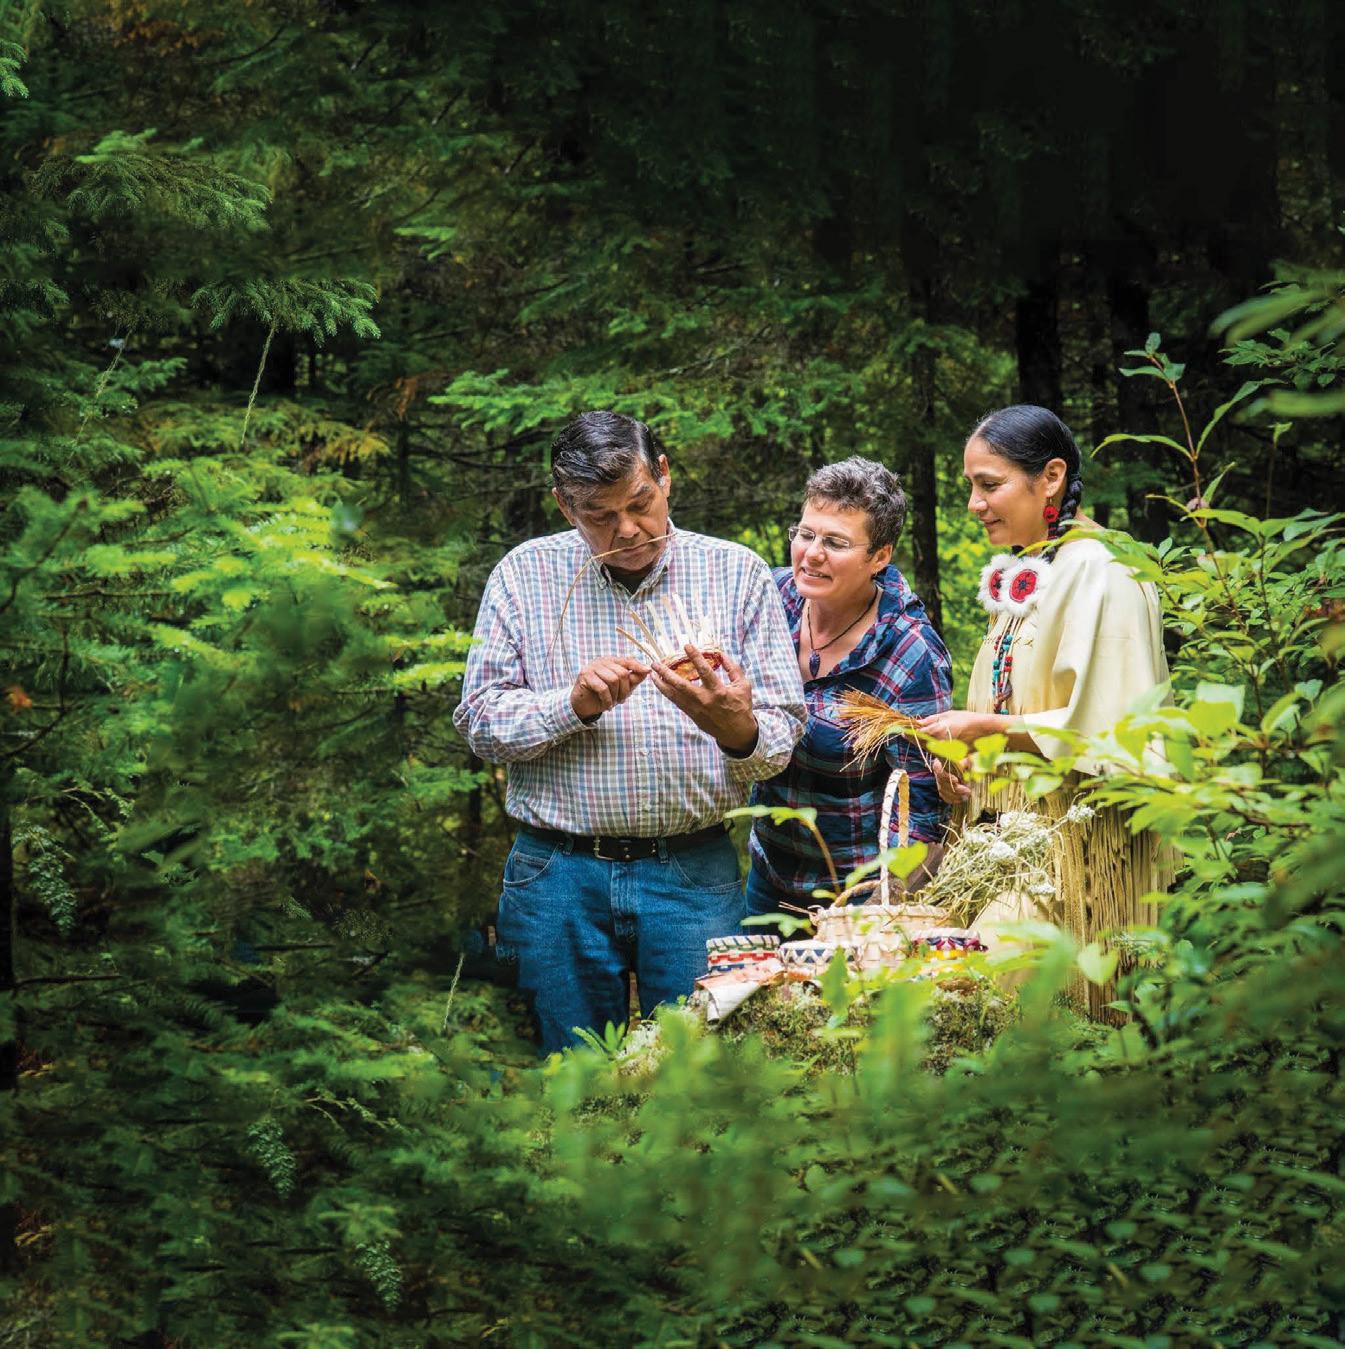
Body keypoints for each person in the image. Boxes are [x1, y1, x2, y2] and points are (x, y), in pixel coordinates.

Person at [453, 411, 806, 1052]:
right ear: (565, 506)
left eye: (640, 504)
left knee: (703, 1069)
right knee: (571, 1075)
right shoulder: (524, 575)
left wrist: (737, 730)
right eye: (599, 515)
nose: (627, 530)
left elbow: (782, 737)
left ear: (664, 475)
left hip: (693, 872)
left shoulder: (735, 572)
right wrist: (570, 706)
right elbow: (479, 721)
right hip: (556, 875)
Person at [917, 404, 1170, 1016]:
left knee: (981, 1000)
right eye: (971, 486)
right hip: (1012, 847)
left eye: (989, 484)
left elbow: (1116, 733)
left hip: (1079, 850)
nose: (974, 504)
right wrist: (969, 767)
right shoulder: (1035, 568)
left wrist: (986, 728)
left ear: (1051, 477)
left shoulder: (1104, 570)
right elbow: (1018, 706)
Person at [745, 457, 953, 917]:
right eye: (806, 534)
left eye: (835, 542)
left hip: (857, 895)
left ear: (880, 556)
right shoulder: (771, 600)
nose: (812, 554)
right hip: (768, 875)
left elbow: (923, 811)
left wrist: (878, 911)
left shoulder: (910, 652)